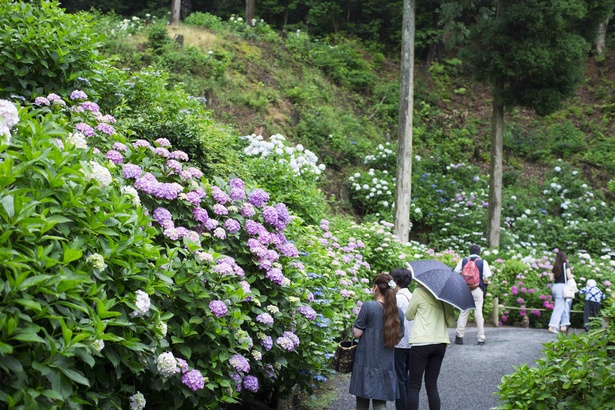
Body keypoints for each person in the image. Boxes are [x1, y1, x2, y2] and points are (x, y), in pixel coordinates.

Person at [349, 273, 405, 410]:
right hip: (385, 362)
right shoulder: (398, 312)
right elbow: (398, 338)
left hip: (365, 360)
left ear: (375, 288)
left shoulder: (369, 306)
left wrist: (353, 327)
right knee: (380, 401)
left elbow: (357, 333)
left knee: (362, 400)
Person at [405, 282, 455, 410]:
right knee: (432, 385)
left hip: (421, 343)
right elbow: (450, 323)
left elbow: (409, 315)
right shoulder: (445, 296)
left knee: (414, 385)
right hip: (440, 342)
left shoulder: (418, 293)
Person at [454, 244, 492, 345]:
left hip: (465, 289)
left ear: (469, 252)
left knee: (464, 312)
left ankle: (459, 336)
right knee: (478, 312)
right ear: (479, 252)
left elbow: (455, 272)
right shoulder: (483, 262)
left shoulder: (464, 261)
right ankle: (481, 338)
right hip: (477, 289)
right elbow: (486, 278)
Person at [391, 268, 413, 410]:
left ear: (397, 281)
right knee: (408, 379)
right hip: (413, 342)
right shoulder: (412, 296)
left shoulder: (397, 299)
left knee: (400, 379)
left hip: (400, 343)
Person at [547, 250, 574, 334]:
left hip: (555, 287)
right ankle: (552, 326)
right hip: (563, 287)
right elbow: (569, 277)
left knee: (562, 306)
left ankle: (563, 325)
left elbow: (551, 279)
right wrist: (572, 276)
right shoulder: (566, 265)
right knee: (559, 308)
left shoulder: (555, 266)